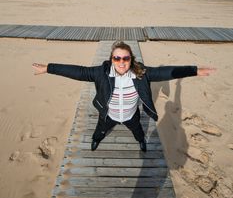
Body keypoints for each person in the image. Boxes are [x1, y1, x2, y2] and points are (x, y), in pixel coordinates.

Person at [32, 41, 215, 152]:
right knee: (99, 130)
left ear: (131, 59)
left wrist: (194, 71)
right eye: (117, 58)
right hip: (108, 115)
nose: (121, 62)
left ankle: (141, 141)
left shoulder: (142, 74)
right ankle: (97, 139)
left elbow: (167, 72)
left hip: (131, 115)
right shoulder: (100, 73)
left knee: (138, 131)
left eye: (125, 58)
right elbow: (78, 71)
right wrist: (48, 68)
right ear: (111, 59)